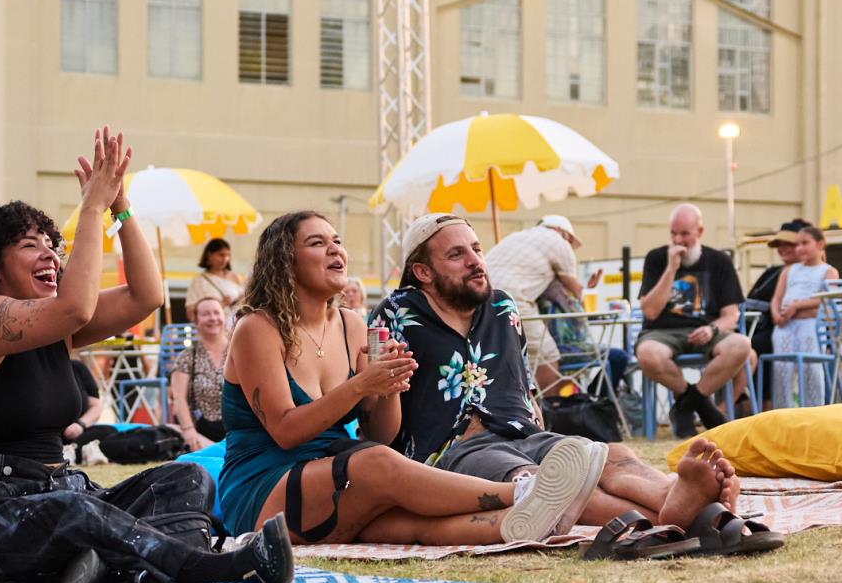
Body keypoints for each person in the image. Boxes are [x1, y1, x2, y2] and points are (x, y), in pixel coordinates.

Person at [0, 128, 293, 583]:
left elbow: (147, 294)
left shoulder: (55, 325)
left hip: (58, 495)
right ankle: (205, 568)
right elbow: (76, 306)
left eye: (51, 241)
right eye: (30, 244)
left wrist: (119, 207)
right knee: (75, 512)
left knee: (185, 478)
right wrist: (89, 208)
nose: (50, 251)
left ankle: (127, 567)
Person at [218, 210, 607, 548]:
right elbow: (285, 431)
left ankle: (514, 523)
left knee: (414, 526)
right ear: (284, 262)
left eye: (337, 241)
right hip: (266, 487)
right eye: (317, 243)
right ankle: (524, 494)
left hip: (335, 477)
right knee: (378, 465)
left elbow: (382, 434)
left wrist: (388, 389)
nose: (336, 250)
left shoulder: (351, 325)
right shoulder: (258, 328)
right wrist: (361, 385)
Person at [373, 215, 736, 535]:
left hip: (520, 432)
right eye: (456, 255)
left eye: (477, 249)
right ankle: (676, 516)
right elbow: (374, 409)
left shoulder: (500, 306)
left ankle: (669, 495)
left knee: (607, 454)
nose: (475, 262)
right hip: (453, 451)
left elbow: (524, 382)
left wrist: (544, 434)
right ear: (423, 272)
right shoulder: (397, 314)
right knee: (549, 483)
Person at [635, 204, 752, 438]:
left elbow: (731, 315)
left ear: (700, 231)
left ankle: (687, 405)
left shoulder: (719, 261)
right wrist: (671, 269)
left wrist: (711, 329)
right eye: (673, 233)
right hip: (662, 331)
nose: (678, 240)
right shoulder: (657, 258)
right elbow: (650, 312)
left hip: (707, 330)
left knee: (742, 346)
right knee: (648, 354)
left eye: (685, 234)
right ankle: (704, 407)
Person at [484, 214, 583, 388]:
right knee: (547, 354)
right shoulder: (559, 242)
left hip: (479, 296)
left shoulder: (517, 237)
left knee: (499, 357)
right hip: (511, 299)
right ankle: (548, 409)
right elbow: (575, 294)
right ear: (563, 233)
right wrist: (587, 288)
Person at [766, 220, 842, 406]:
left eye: (804, 243)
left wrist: (798, 305)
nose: (800, 248)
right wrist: (776, 313)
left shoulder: (828, 271)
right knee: (782, 369)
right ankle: (782, 409)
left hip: (811, 326)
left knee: (811, 369)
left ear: (820, 244)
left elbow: (827, 298)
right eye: (798, 244)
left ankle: (814, 408)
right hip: (785, 326)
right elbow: (777, 297)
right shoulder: (789, 270)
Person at [168, 297, 231, 451]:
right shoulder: (188, 356)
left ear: (224, 317)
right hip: (202, 434)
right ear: (195, 321)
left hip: (239, 431)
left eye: (217, 313)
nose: (213, 318)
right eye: (206, 314)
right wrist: (189, 431)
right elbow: (179, 398)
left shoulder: (240, 351)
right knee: (170, 430)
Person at [184, 238, 244, 315]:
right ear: (209, 255)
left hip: (235, 324)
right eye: (221, 255)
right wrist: (220, 305)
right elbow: (190, 313)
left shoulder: (235, 277)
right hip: (212, 324)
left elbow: (245, 304)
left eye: (228, 255)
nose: (225, 259)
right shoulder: (199, 281)